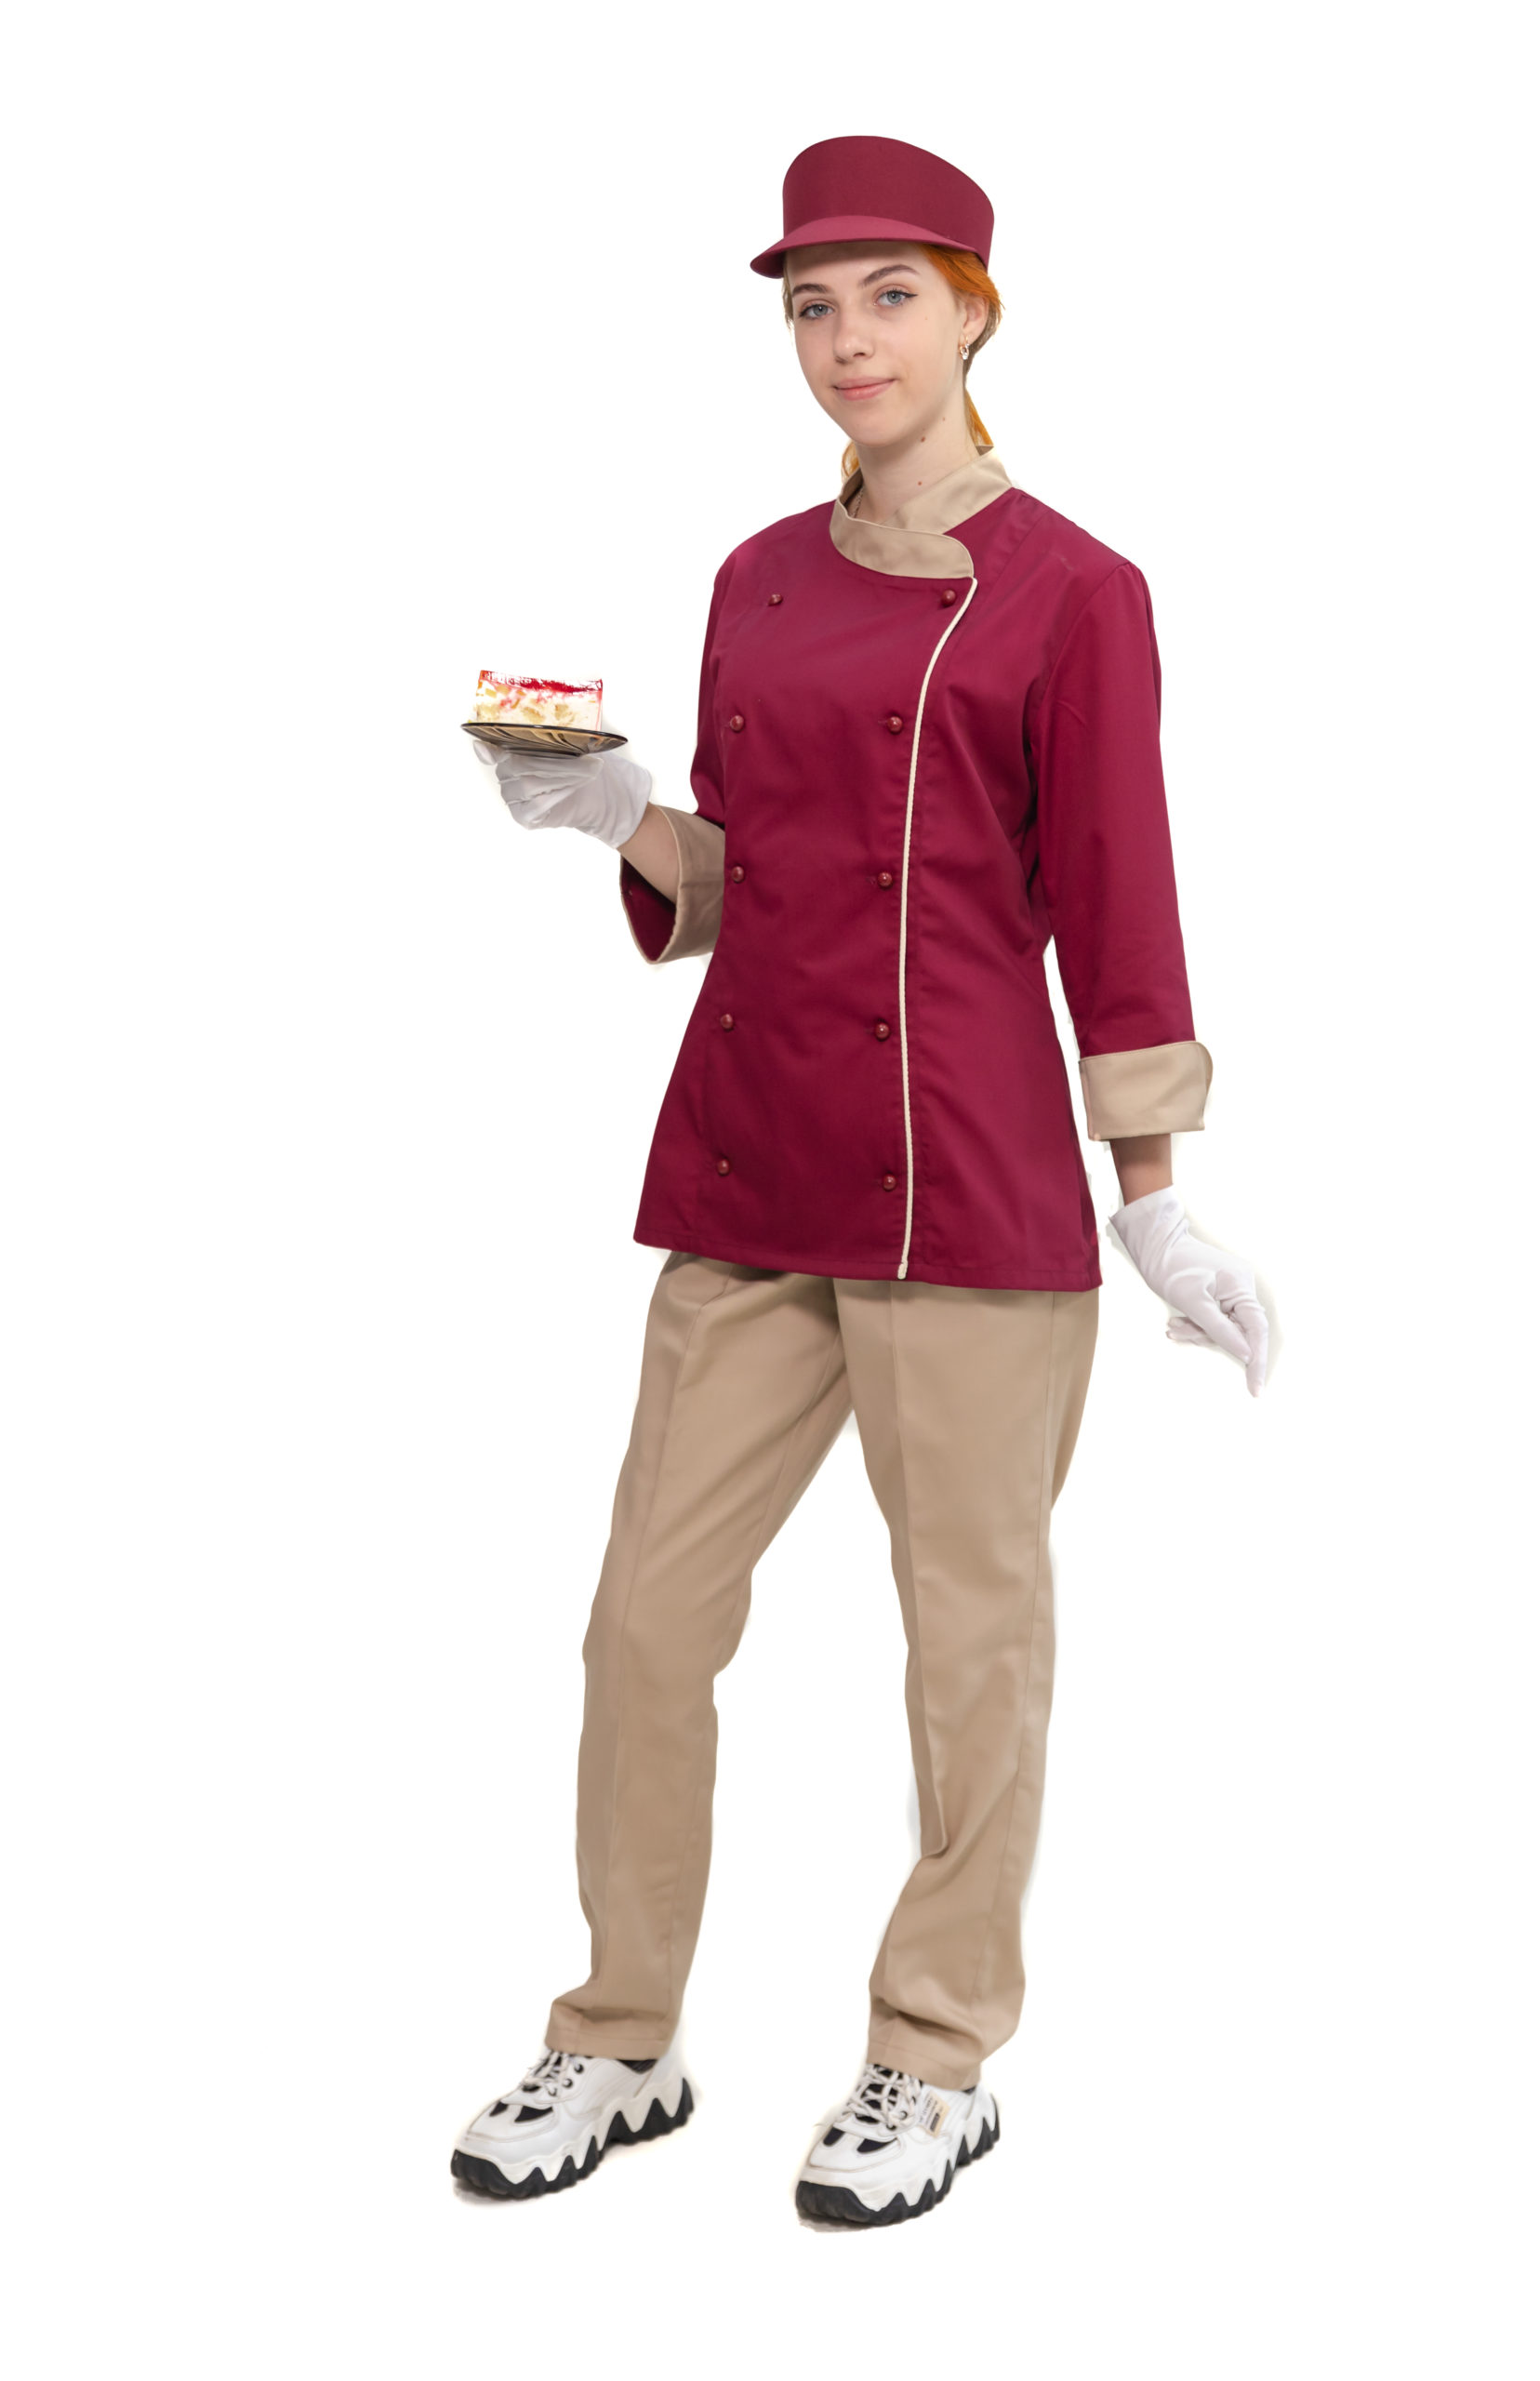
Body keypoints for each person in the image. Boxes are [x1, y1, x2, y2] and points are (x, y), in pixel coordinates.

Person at [452, 135, 1268, 2229]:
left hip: (971, 1192)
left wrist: (1152, 1187)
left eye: (888, 296)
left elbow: (1118, 898)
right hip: (749, 1168)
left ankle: (935, 2055)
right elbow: (752, 882)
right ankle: (621, 2032)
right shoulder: (753, 576)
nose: (845, 341)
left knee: (965, 1647)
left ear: (974, 310)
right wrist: (611, 813)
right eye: (810, 306)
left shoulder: (1076, 592)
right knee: (644, 1621)